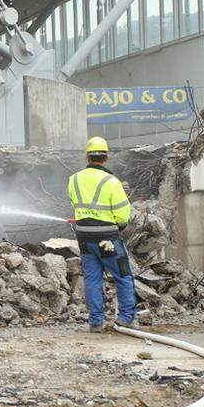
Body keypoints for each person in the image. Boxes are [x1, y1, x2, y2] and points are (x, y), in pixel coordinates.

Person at [67, 136, 135, 332]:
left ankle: (95, 322)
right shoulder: (112, 181)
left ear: (87, 156)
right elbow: (122, 214)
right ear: (106, 157)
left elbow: (76, 205)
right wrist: (118, 225)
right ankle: (126, 318)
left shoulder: (74, 179)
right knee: (122, 275)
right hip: (108, 237)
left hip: (84, 237)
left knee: (92, 279)